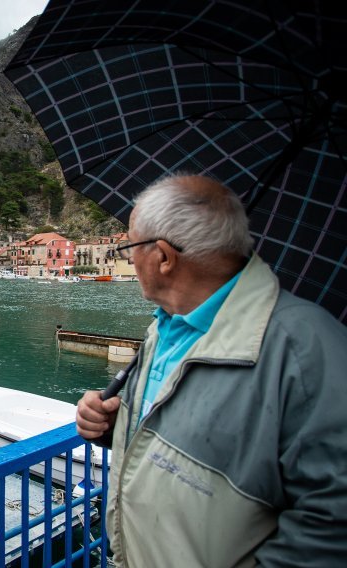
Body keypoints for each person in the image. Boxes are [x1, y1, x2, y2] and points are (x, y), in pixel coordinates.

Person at [75, 173, 347, 567]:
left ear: (164, 257)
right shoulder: (164, 327)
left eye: (129, 247)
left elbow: (334, 525)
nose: (127, 258)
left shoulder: (307, 348)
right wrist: (115, 426)